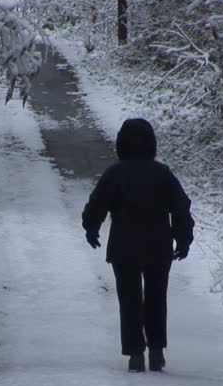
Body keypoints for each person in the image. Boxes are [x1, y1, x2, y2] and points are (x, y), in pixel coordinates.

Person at [82, 118, 194, 372]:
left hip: (124, 247)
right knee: (156, 296)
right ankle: (156, 350)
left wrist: (91, 228)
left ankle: (134, 352)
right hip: (158, 246)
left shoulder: (115, 173)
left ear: (121, 143)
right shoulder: (162, 174)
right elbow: (180, 207)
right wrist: (183, 237)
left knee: (129, 298)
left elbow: (97, 204)